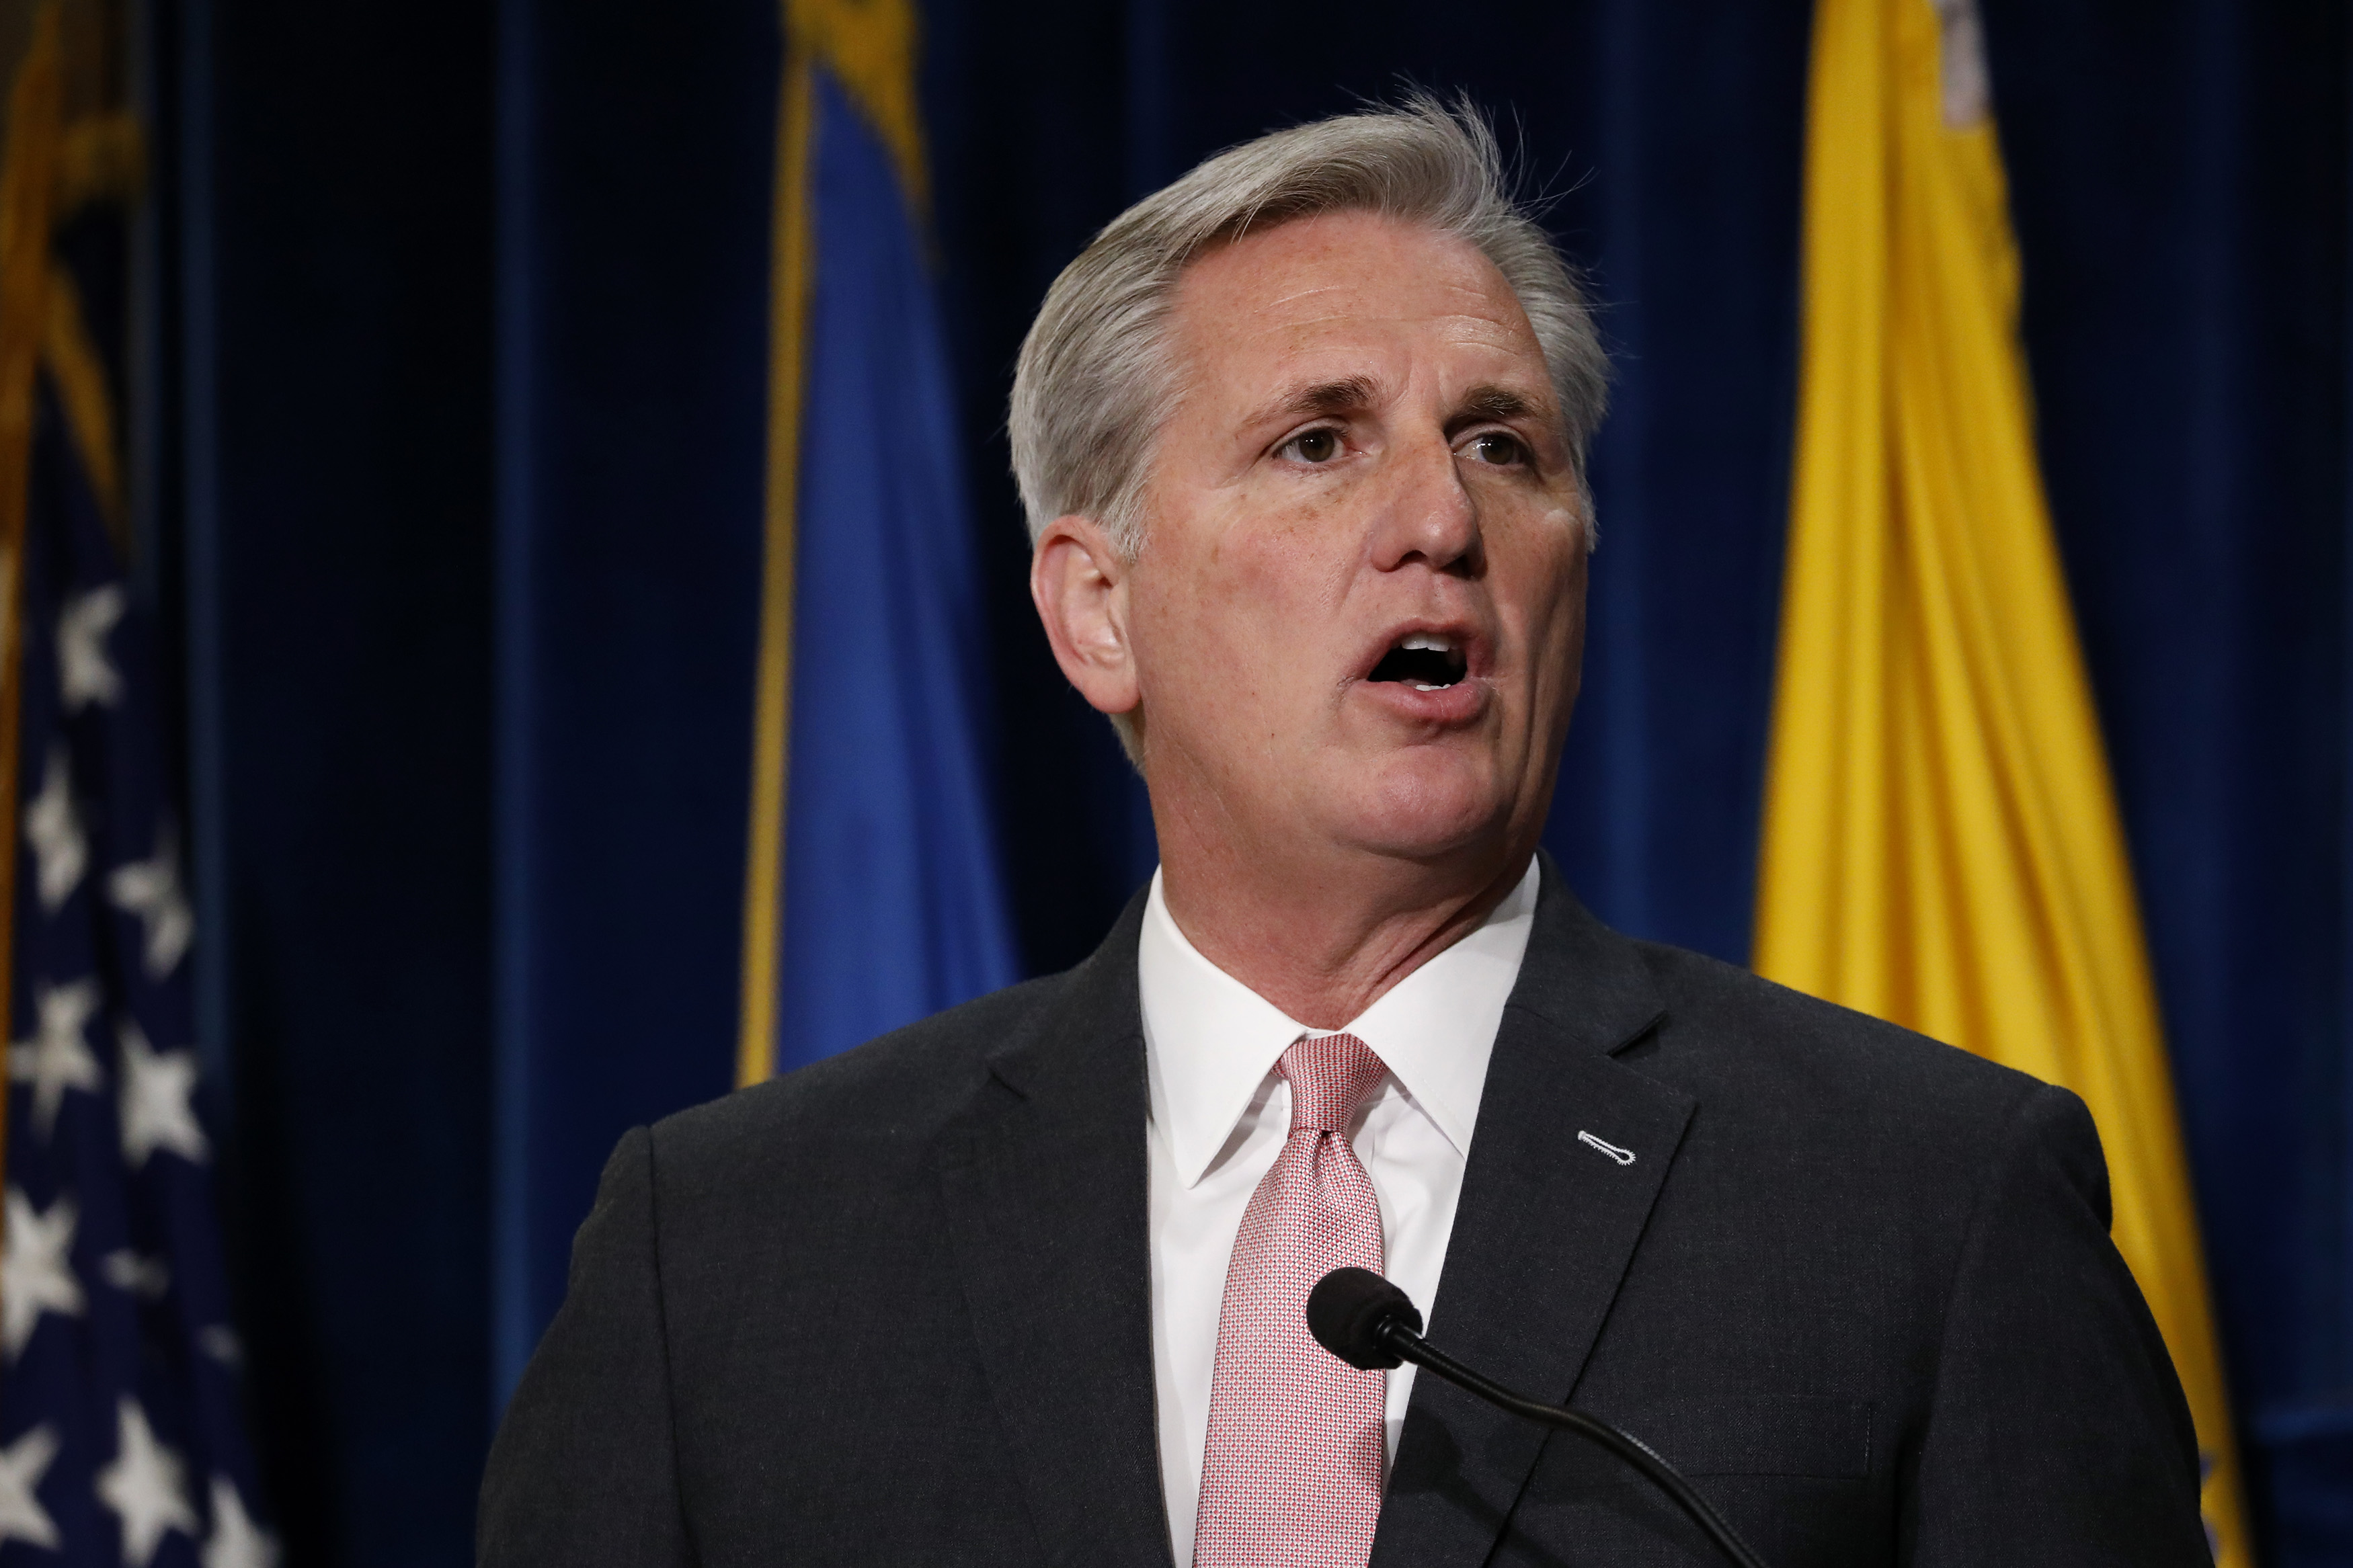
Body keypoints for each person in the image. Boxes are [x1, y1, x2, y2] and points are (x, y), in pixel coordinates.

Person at [477, 99, 2208, 1567]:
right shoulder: (721, 1263)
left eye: (1501, 445)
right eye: (1319, 443)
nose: (1443, 520)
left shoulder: (1930, 1210)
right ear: (1098, 615)